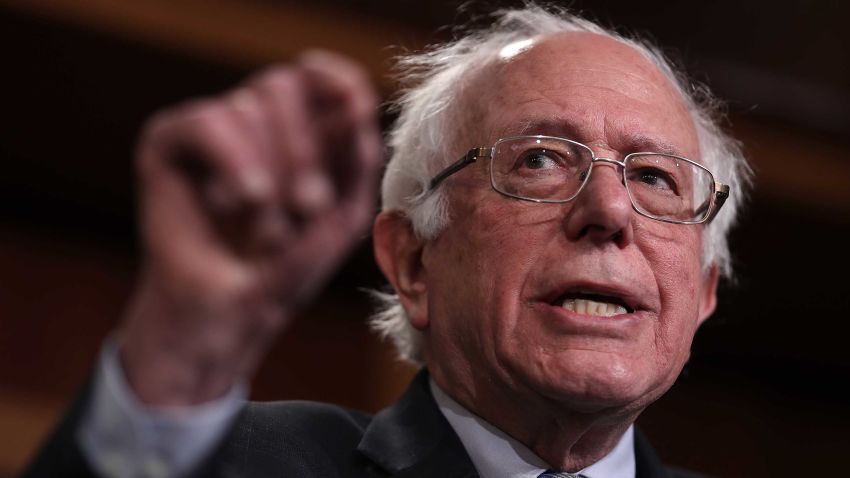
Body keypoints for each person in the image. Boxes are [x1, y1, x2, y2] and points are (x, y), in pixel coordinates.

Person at [22, 5, 751, 478]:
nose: (610, 211)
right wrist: (183, 353)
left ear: (705, 291)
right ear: (412, 262)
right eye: (538, 160)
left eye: (656, 177)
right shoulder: (237, 463)